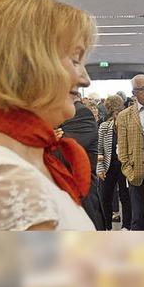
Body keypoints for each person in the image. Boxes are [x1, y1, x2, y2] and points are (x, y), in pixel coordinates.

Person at [0, 0, 95, 230]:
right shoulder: (1, 178)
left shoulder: (8, 159)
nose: (85, 79)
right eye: (75, 60)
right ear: (30, 64)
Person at [117, 74, 144, 230]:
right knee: (139, 220)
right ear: (134, 93)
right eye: (143, 89)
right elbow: (122, 149)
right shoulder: (124, 116)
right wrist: (129, 171)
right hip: (138, 174)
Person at [60, 92, 106, 230]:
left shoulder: (81, 113)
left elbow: (60, 154)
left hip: (81, 202)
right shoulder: (58, 117)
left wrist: (46, 138)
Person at [96, 94, 132, 231]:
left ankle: (126, 227)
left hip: (123, 166)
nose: (118, 115)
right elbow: (100, 149)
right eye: (116, 113)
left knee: (125, 197)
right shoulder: (104, 126)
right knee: (105, 197)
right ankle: (107, 227)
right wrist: (100, 168)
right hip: (108, 166)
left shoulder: (127, 126)